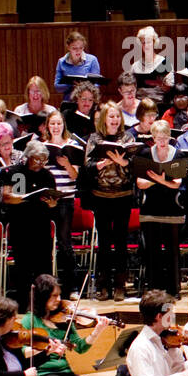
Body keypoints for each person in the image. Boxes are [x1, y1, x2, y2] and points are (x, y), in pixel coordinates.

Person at [82, 102, 137, 300]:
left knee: (121, 242)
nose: (114, 120)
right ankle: (103, 285)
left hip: (123, 197)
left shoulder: (128, 137)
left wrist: (124, 163)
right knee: (104, 242)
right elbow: (86, 166)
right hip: (101, 197)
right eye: (111, 116)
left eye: (117, 117)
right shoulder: (95, 138)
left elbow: (135, 166)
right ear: (104, 118)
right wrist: (100, 164)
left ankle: (121, 285)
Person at [135, 120, 187, 295]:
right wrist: (163, 180)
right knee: (152, 251)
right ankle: (154, 289)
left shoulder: (178, 154)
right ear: (153, 137)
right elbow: (140, 183)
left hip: (172, 208)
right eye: (158, 137)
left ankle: (174, 289)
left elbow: (176, 184)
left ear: (169, 137)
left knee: (172, 250)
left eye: (165, 137)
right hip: (150, 209)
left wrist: (156, 179)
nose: (162, 141)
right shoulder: (144, 153)